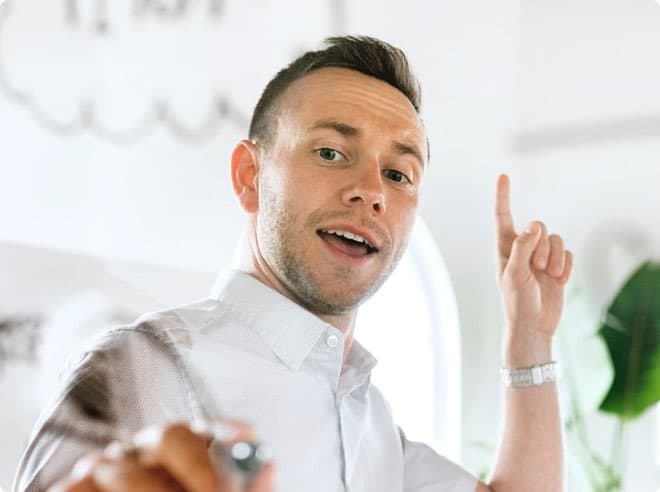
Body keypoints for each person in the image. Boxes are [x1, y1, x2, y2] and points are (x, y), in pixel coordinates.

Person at [13, 36, 573, 492]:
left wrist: (529, 339)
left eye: (398, 174)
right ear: (249, 177)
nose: (372, 192)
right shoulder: (143, 367)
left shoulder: (371, 421)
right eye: (331, 152)